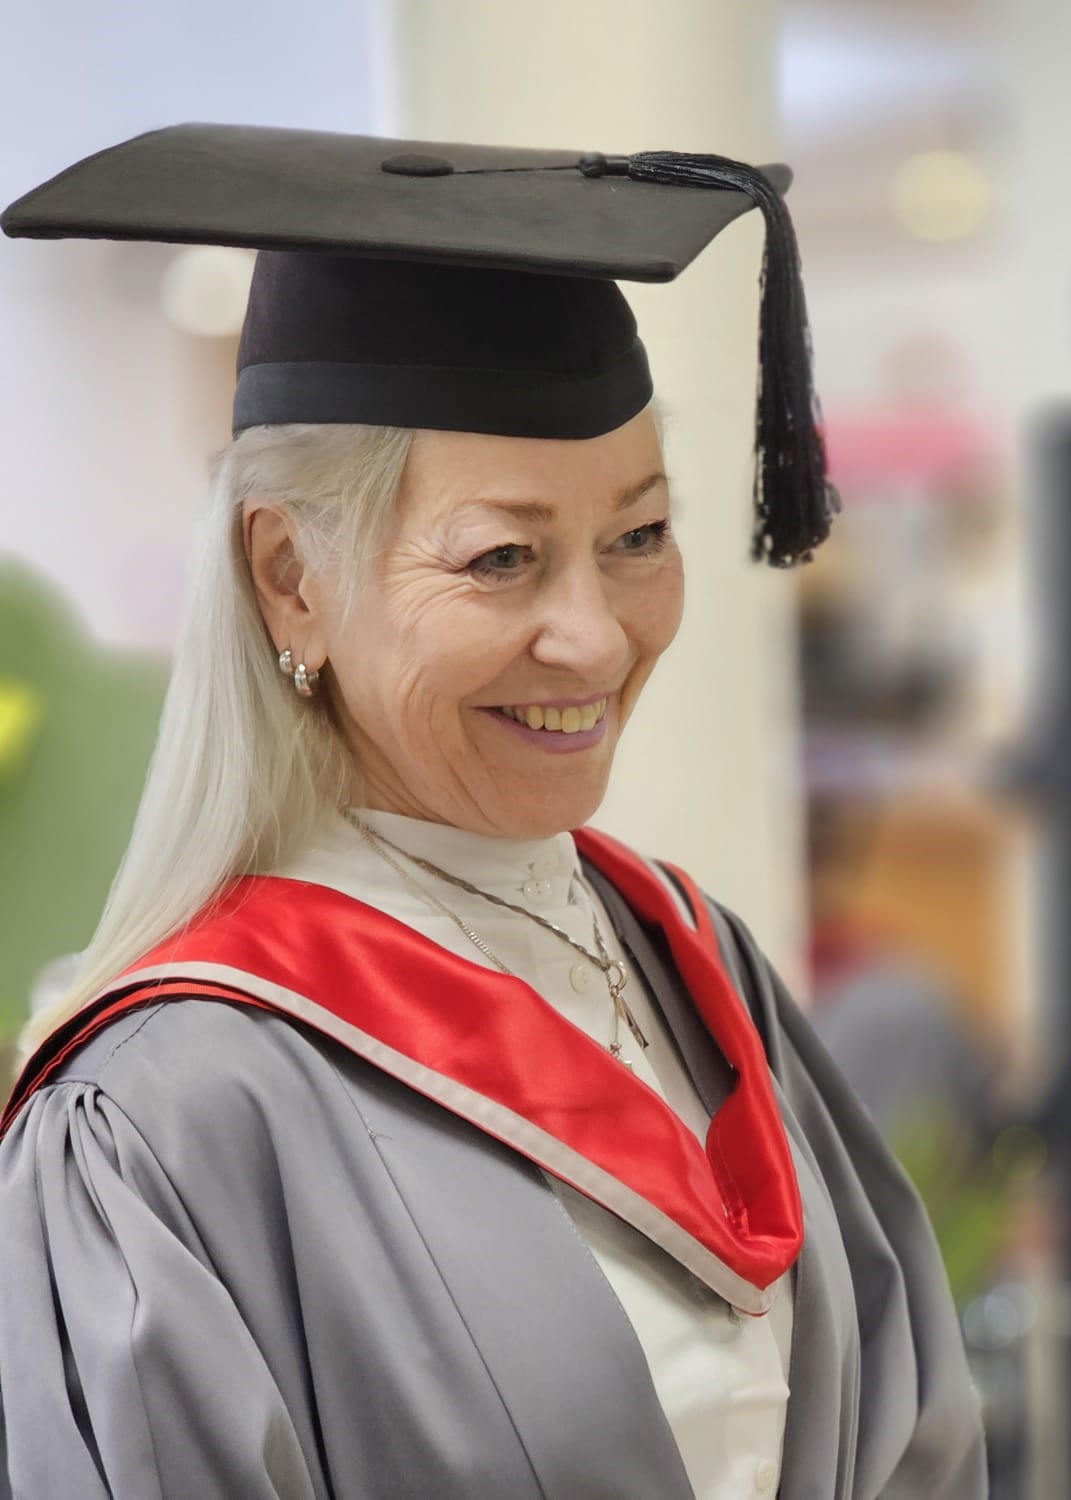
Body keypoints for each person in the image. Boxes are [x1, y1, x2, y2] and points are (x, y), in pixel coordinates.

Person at [0, 125, 987, 1499]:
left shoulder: (696, 968)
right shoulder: (172, 1110)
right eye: (504, 558)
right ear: (289, 577)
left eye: (636, 537)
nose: (591, 637)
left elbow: (908, 1432)